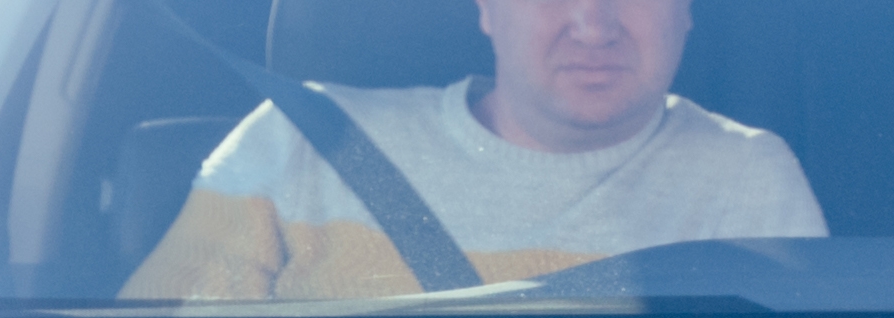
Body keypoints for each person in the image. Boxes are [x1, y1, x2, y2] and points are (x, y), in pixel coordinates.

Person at [131, 0, 817, 301]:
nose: (593, 23)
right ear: (486, 7)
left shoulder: (747, 177)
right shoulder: (303, 141)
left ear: (686, 10)